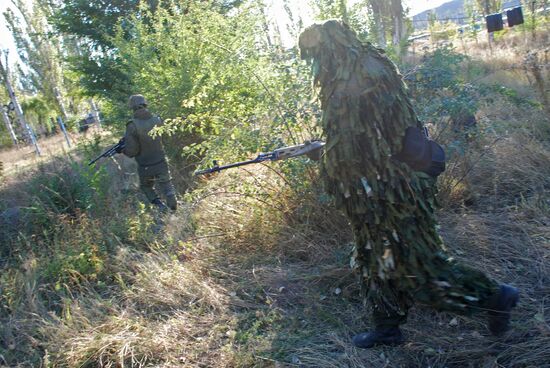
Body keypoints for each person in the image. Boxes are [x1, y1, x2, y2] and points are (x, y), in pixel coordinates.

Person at [298, 20, 518, 349]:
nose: (314, 66)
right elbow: (371, 135)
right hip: (388, 187)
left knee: (422, 264)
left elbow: (357, 152)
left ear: (325, 50)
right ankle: (386, 327)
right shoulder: (371, 64)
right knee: (375, 257)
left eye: (313, 56)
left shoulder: (350, 80)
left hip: (390, 193)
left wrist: (324, 158)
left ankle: (494, 296)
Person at [117, 94, 177, 211]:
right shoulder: (158, 120)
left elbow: (132, 151)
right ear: (145, 104)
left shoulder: (132, 125)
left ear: (132, 107)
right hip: (161, 161)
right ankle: (173, 205)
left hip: (145, 166)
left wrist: (122, 149)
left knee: (146, 187)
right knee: (166, 184)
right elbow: (167, 139)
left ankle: (160, 206)